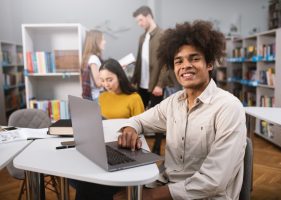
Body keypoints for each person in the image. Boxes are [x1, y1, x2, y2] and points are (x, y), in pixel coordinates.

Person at [117, 20, 247, 200]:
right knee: (100, 190)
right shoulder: (173, 103)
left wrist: (151, 196)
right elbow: (138, 120)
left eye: (194, 58)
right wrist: (129, 129)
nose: (185, 65)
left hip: (206, 196)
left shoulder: (228, 107)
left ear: (209, 64)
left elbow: (214, 180)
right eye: (179, 61)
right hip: (167, 185)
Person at [70, 59, 144, 200]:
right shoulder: (102, 97)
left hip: (125, 150)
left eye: (109, 79)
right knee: (81, 179)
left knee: (88, 186)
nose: (105, 84)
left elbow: (141, 129)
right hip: (103, 147)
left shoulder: (134, 98)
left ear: (120, 77)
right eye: (102, 80)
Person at [131, 5, 170, 154]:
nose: (139, 24)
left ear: (148, 16)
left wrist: (160, 84)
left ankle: (156, 148)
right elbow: (140, 61)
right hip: (141, 84)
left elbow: (167, 63)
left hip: (155, 85)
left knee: (158, 118)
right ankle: (138, 146)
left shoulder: (163, 35)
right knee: (138, 116)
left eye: (140, 20)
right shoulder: (142, 37)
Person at [81, 29, 106, 101]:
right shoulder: (94, 59)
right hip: (97, 98)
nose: (105, 42)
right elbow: (98, 83)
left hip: (94, 97)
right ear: (95, 42)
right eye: (102, 39)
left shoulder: (88, 57)